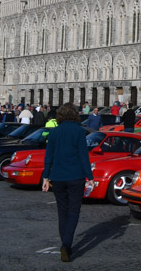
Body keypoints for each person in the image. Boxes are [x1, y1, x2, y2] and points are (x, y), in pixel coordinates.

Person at [42, 103, 95, 263]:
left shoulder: (54, 132)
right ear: (75, 115)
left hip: (57, 177)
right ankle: (66, 244)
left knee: (62, 212)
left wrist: (45, 177)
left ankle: (65, 244)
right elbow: (83, 156)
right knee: (73, 212)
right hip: (76, 176)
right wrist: (90, 177)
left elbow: (49, 156)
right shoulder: (79, 131)